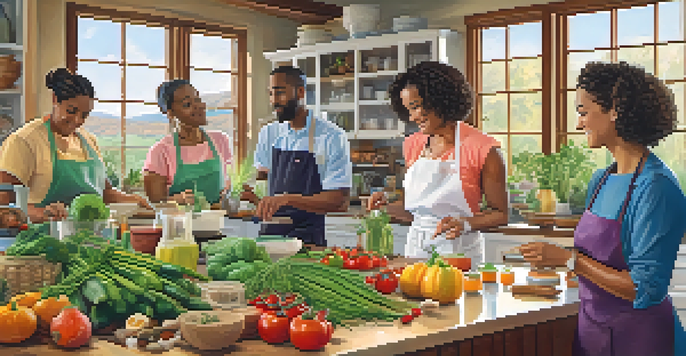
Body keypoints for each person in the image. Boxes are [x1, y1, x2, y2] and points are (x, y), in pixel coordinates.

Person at [518, 61, 686, 356]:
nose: (578, 124)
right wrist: (557, 265)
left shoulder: (656, 186)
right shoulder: (601, 180)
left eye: (583, 112)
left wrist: (570, 261)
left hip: (641, 340)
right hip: (591, 333)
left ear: (615, 110)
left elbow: (645, 288)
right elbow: (595, 262)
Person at [368, 61, 509, 270]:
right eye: (408, 110)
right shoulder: (413, 145)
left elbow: (501, 214)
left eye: (416, 107)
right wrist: (385, 206)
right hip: (415, 249)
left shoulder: (484, 149)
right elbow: (415, 210)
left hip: (458, 253)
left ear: (439, 100)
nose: (413, 117)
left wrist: (466, 223)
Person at [0, 68, 151, 223]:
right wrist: (44, 213)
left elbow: (104, 193)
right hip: (42, 237)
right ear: (55, 99)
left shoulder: (89, 141)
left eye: (85, 115)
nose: (78, 120)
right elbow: (6, 204)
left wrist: (133, 199)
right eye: (71, 111)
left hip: (90, 237)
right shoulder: (24, 140)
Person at [241, 65, 352, 249]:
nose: (274, 101)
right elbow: (263, 182)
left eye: (280, 93)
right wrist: (249, 195)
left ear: (300, 92)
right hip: (268, 240)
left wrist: (286, 198)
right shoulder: (269, 133)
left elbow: (339, 201)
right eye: (270, 94)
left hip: (308, 243)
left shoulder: (332, 136)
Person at [143, 80, 232, 206]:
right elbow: (155, 204)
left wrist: (230, 195)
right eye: (187, 104)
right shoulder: (160, 151)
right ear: (171, 113)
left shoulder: (221, 141)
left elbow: (229, 184)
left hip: (217, 221)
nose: (199, 106)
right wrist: (176, 200)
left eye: (198, 100)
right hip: (180, 224)